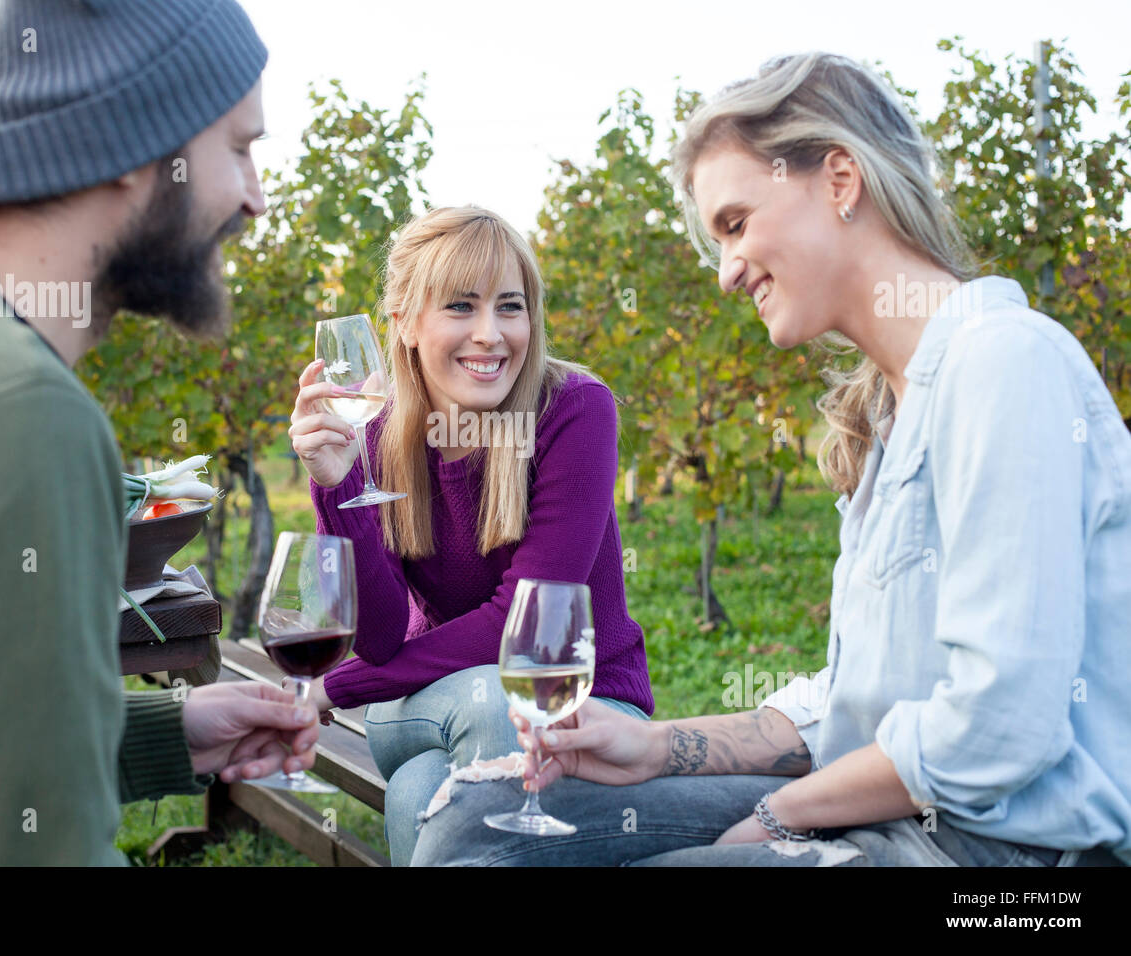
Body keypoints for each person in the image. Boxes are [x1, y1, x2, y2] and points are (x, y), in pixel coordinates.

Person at [411, 52, 1131, 867]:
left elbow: (998, 728)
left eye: (736, 224)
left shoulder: (1002, 364)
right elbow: (851, 706)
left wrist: (786, 813)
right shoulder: (895, 414)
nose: (725, 274)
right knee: (479, 817)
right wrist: (656, 746)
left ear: (840, 180)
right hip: (890, 818)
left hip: (1004, 863)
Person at [0, 0, 321, 865]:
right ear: (136, 144)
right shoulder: (11, 415)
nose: (256, 199)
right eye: (240, 149)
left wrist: (166, 735)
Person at [287, 206, 655, 864]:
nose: (490, 335)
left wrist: (330, 690)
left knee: (416, 794)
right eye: (461, 306)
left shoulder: (573, 407)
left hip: (586, 701)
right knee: (489, 705)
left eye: (509, 307)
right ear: (402, 323)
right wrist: (335, 483)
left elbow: (523, 625)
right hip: (425, 700)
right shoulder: (377, 429)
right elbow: (375, 638)